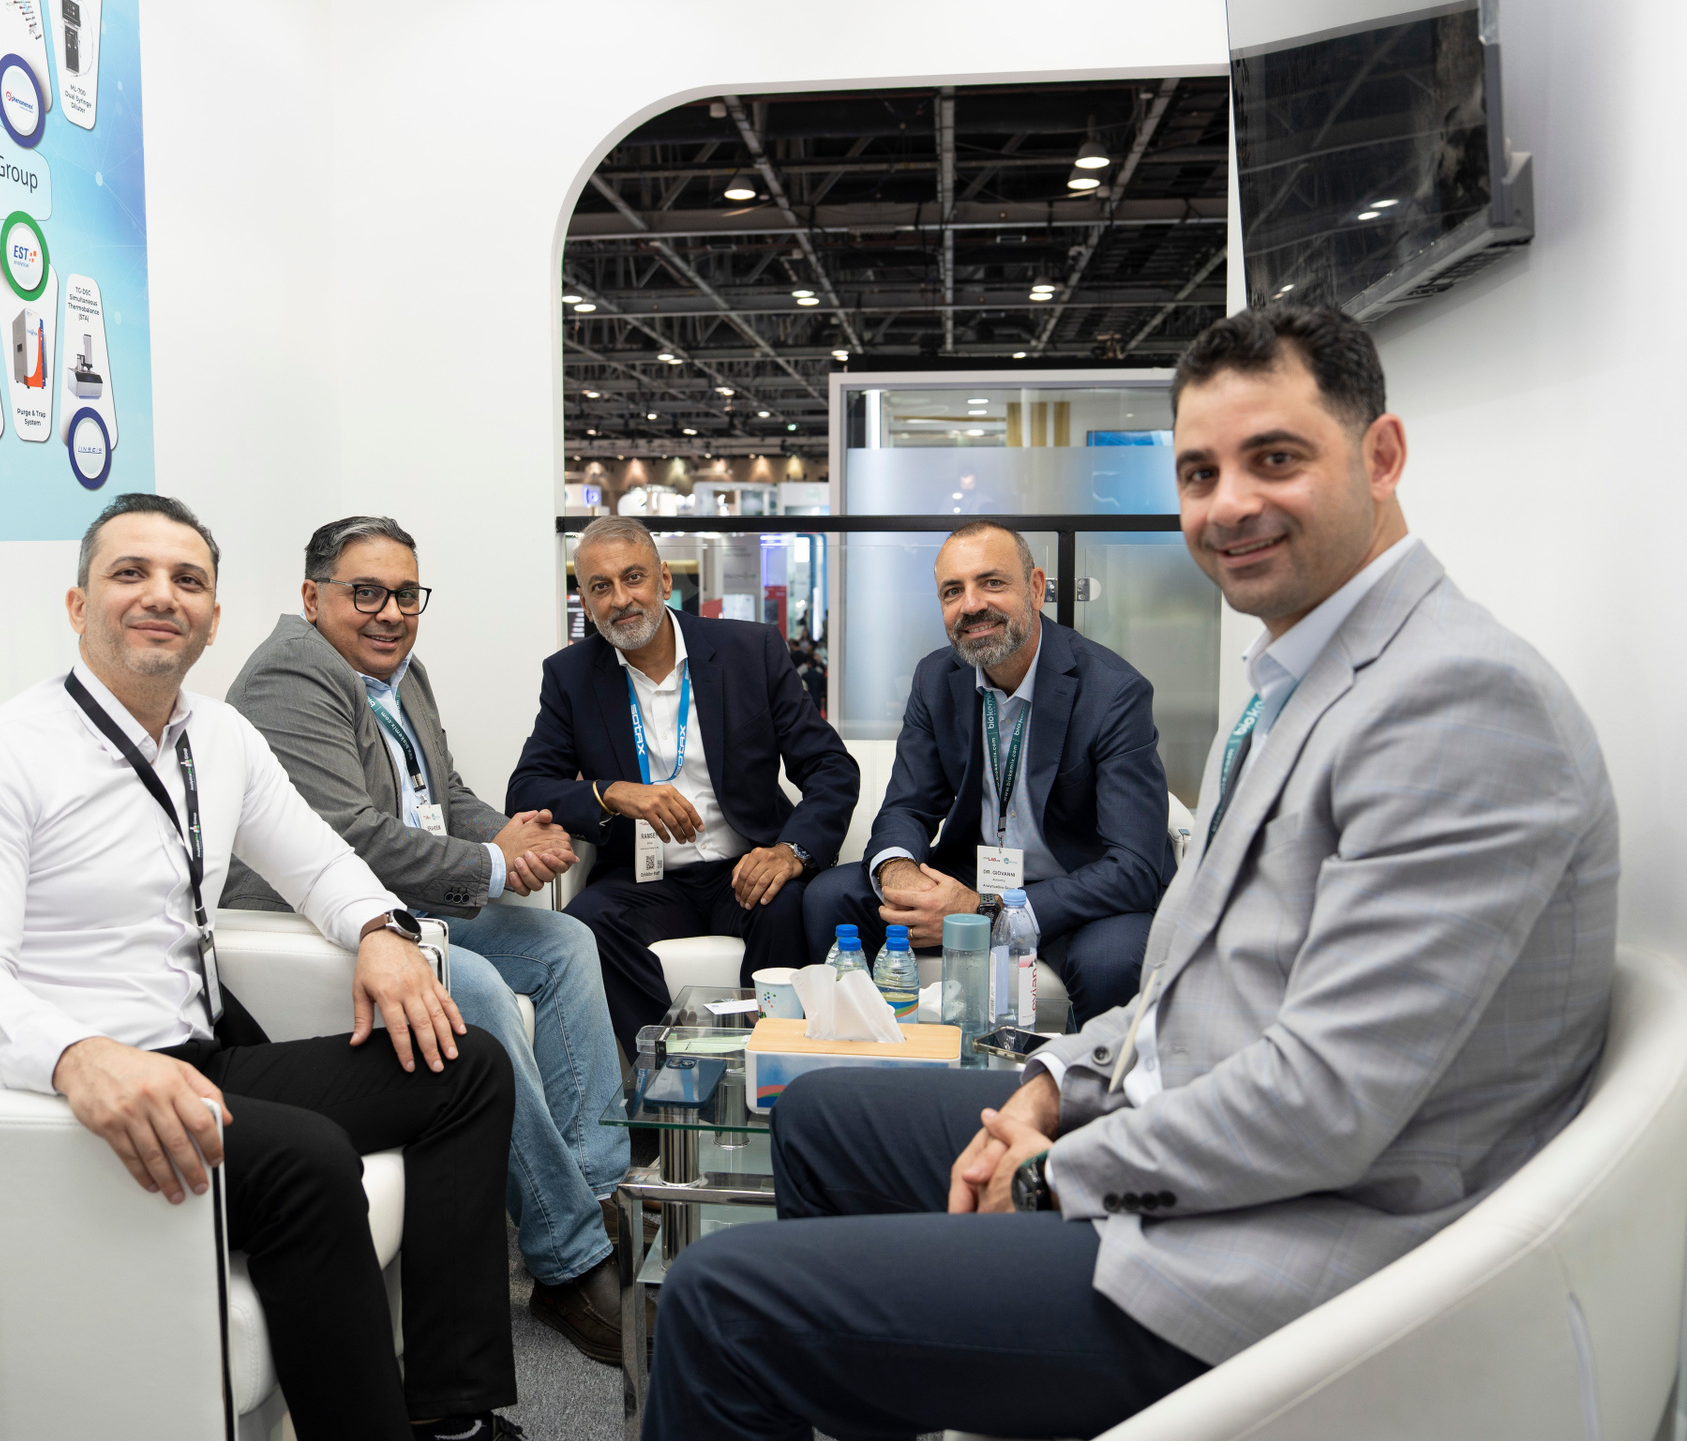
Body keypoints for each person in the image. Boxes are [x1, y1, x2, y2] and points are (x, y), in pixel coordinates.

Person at [640, 305, 1619, 1441]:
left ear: (1382, 455)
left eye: (1276, 458)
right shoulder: (1311, 681)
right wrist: (1052, 1079)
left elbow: (1326, 1101)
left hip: (1271, 1255)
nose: (1228, 505)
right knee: (819, 1116)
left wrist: (1060, 1167)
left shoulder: (1455, 701)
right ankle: (895, 1363)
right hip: (1182, 1123)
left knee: (717, 1302)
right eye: (1199, 473)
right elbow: (1191, 985)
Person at [0, 493, 522, 1441]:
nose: (160, 595)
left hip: (198, 1058)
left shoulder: (219, 737)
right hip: (67, 1099)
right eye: (130, 573)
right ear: (79, 605)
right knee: (307, 1158)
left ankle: (449, 1415)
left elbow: (322, 864)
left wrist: (383, 929)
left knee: (466, 1066)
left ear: (212, 619)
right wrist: (76, 1056)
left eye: (188, 580)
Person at [220, 515, 630, 1365]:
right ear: (313, 597)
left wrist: (516, 835)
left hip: (402, 901)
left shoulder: (401, 674)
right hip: (307, 919)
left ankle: (596, 1195)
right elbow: (351, 835)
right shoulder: (292, 673)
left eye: (406, 594)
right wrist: (493, 862)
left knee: (564, 944)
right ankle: (567, 1260)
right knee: (472, 986)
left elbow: (442, 797)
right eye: (366, 592)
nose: (390, 612)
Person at [506, 516, 860, 1054]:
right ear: (585, 600)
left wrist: (791, 850)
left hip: (745, 867)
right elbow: (527, 788)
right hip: (645, 881)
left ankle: (768, 1068)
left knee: (786, 904)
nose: (621, 599)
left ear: (665, 580)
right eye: (601, 587)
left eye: (633, 578)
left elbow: (831, 767)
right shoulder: (570, 675)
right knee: (586, 922)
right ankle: (674, 1066)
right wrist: (610, 793)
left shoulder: (750, 650)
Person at [802, 520, 1175, 1026]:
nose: (971, 605)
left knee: (1112, 961)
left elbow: (1134, 867)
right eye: (952, 591)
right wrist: (900, 872)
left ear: (1036, 588)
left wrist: (986, 910)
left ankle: (1075, 1079)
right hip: (969, 877)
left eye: (992, 582)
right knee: (831, 897)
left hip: (1074, 892)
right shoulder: (936, 677)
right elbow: (907, 807)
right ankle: (866, 1057)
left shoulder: (1112, 692)